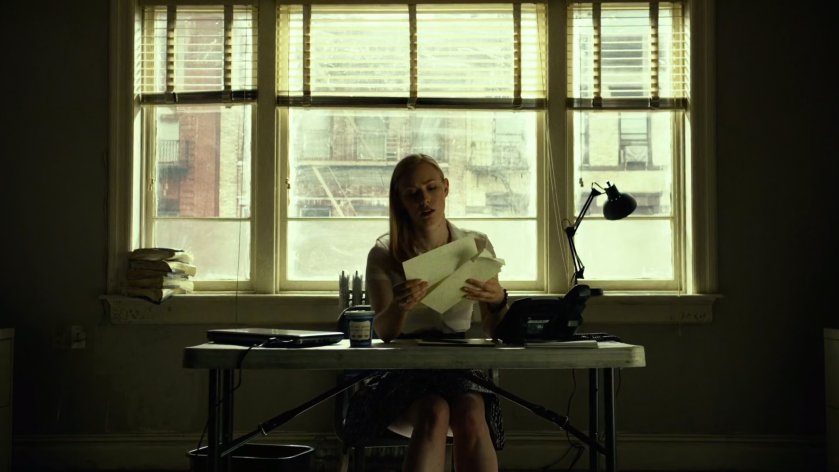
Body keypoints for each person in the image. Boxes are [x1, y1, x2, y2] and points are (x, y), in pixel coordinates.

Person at [343, 153, 509, 472]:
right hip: (401, 366)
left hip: (457, 362)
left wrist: (499, 299)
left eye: (432, 188)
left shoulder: (475, 244)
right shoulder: (383, 253)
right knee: (434, 411)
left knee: (471, 414)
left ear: (446, 189)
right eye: (413, 194)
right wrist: (400, 306)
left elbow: (493, 329)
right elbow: (385, 332)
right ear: (400, 201)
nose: (425, 200)